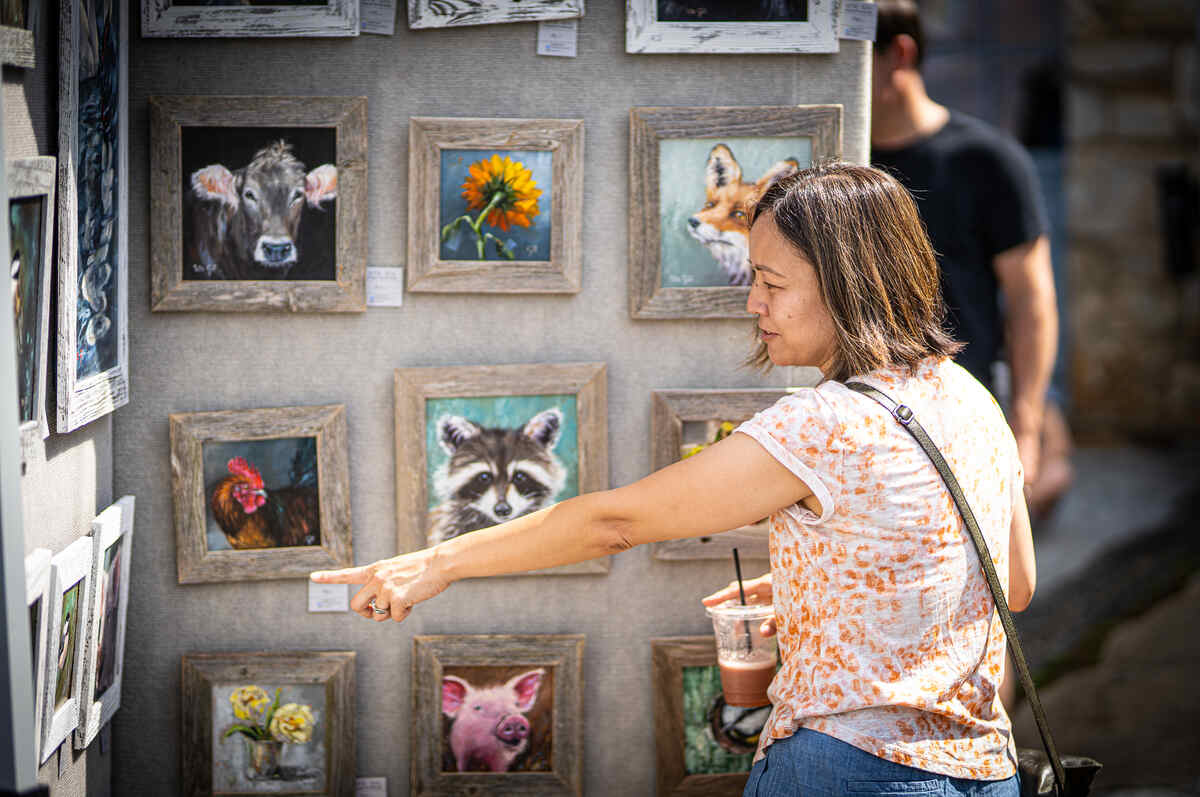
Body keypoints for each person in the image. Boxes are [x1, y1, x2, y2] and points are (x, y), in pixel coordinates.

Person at [312, 164, 1036, 797]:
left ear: (851, 283)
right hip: (986, 771)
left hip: (848, 768)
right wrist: (837, 594)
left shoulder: (824, 422)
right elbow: (1014, 582)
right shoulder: (971, 398)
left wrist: (439, 561)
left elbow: (614, 522)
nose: (753, 303)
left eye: (772, 281)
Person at [869, 0, 1072, 523]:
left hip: (965, 413)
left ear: (899, 53)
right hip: (857, 418)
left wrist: (1026, 428)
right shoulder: (840, 162)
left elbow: (1032, 304)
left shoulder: (988, 159)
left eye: (849, 55)